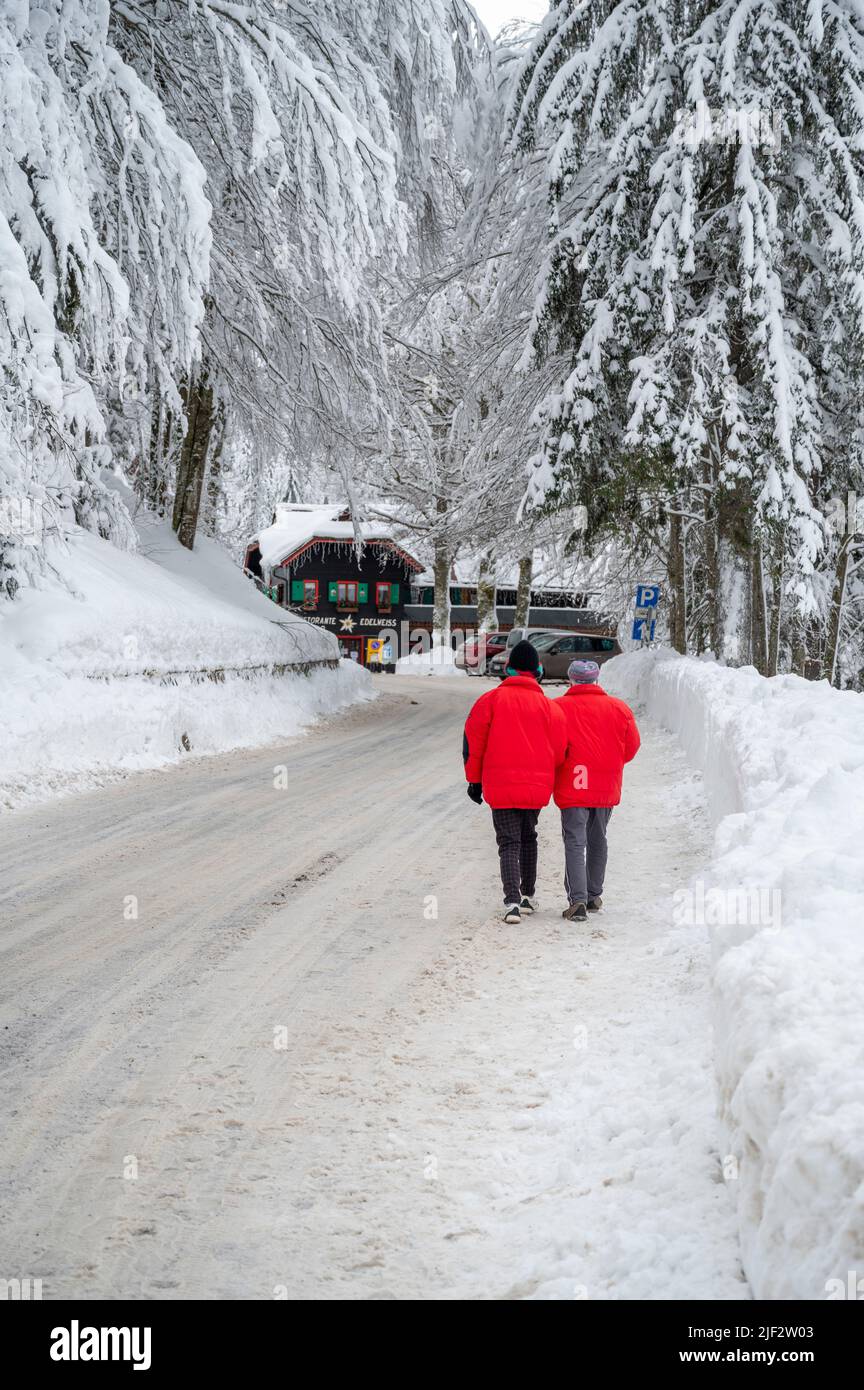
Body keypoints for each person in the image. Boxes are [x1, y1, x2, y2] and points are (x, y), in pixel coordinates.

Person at [463, 639, 566, 924]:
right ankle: (527, 895)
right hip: (536, 787)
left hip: (501, 784)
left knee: (508, 841)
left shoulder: (490, 701)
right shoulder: (551, 708)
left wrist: (474, 780)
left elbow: (474, 744)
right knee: (529, 837)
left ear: (509, 668)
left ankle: (511, 903)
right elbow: (559, 751)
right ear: (537, 670)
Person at [553, 659, 640, 922]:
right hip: (604, 784)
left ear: (571, 680)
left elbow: (553, 748)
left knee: (575, 841)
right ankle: (593, 895)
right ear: (596, 680)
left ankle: (577, 900)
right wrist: (610, 763)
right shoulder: (619, 708)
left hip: (573, 783)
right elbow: (632, 746)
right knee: (598, 837)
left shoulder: (558, 708)